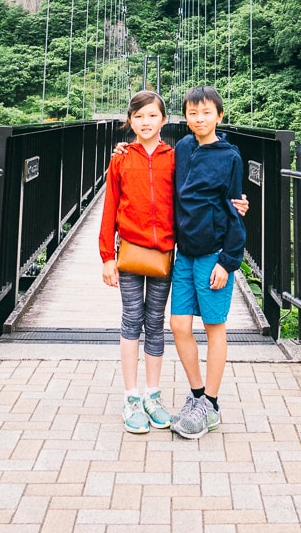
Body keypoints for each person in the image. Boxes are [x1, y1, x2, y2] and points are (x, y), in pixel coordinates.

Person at [169, 84, 246, 440]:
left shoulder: (230, 157)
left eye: (206, 113)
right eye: (192, 113)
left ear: (219, 115)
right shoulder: (183, 148)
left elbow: (234, 210)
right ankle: (197, 395)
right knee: (179, 325)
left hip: (214, 253)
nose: (199, 119)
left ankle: (211, 405)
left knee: (215, 327)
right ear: (185, 117)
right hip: (183, 252)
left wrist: (228, 262)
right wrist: (124, 151)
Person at [99, 90, 175, 434]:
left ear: (164, 119)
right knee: (132, 319)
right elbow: (110, 207)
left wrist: (234, 204)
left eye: (152, 116)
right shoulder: (120, 159)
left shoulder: (174, 158)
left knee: (155, 322)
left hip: (163, 254)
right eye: (139, 116)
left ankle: (153, 396)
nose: (146, 122)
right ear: (129, 121)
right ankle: (131, 397)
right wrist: (107, 258)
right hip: (129, 249)